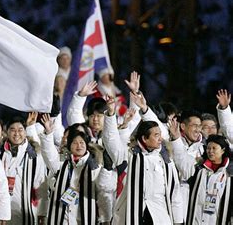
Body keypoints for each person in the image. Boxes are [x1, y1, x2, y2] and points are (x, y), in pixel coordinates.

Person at [103, 95, 183, 225]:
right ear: (144, 139)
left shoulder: (165, 160)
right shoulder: (128, 155)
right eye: (156, 135)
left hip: (159, 217)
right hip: (129, 216)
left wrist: (178, 221)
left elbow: (175, 190)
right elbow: (110, 140)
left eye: (160, 135)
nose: (160, 139)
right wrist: (111, 114)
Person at [39, 113, 115, 224]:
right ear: (69, 146)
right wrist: (48, 134)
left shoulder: (95, 167)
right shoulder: (62, 164)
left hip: (83, 218)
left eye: (81, 143)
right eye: (74, 143)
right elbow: (49, 156)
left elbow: (103, 195)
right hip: (61, 218)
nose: (79, 146)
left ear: (87, 145)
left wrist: (106, 218)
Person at [169, 119, 233, 225]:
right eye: (208, 148)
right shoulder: (199, 170)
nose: (210, 151)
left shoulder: (229, 175)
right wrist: (176, 138)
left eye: (214, 148)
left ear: (223, 150)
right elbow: (182, 158)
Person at [0, 116, 48, 225]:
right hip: (2, 212)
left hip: (25, 211)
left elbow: (41, 187)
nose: (16, 134)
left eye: (20, 130)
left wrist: (42, 212)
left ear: (25, 132)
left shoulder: (34, 156)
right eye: (13, 130)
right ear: (7, 131)